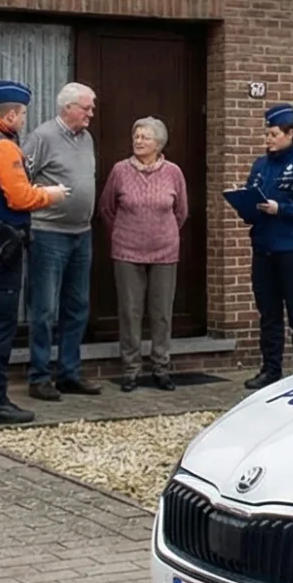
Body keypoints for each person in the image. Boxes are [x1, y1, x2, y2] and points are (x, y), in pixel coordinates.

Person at [0, 81, 68, 424]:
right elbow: (20, 198)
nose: (23, 121)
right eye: (21, 115)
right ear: (10, 115)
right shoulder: (2, 148)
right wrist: (51, 194)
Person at [96, 116, 190, 392]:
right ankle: (131, 369)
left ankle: (161, 367)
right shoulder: (120, 170)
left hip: (165, 251)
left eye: (145, 137)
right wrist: (123, 233)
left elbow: (181, 211)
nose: (138, 141)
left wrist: (162, 233)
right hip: (127, 250)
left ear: (158, 144)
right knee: (130, 311)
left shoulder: (173, 172)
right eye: (136, 136)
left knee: (161, 313)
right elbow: (107, 209)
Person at [239, 103, 293, 389]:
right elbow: (252, 202)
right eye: (267, 134)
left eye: (274, 134)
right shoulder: (261, 166)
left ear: (290, 134)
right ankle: (270, 370)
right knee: (269, 314)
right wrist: (245, 205)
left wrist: (281, 209)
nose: (268, 139)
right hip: (264, 250)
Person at [22, 82, 101, 399]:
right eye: (86, 108)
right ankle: (39, 376)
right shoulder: (42, 137)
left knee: (77, 307)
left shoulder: (87, 138)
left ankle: (69, 373)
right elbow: (21, 181)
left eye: (92, 108)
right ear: (67, 107)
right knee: (44, 309)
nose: (91, 114)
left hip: (82, 234)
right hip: (48, 234)